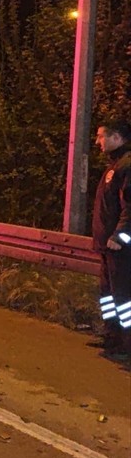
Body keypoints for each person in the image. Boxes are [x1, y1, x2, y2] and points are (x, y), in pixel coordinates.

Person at [91, 120, 131, 357]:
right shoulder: (115, 165)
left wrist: (120, 236)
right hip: (108, 246)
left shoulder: (127, 166)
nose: (97, 141)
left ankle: (127, 344)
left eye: (101, 136)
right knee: (108, 294)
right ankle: (111, 336)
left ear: (116, 137)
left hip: (121, 247)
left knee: (124, 298)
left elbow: (130, 207)